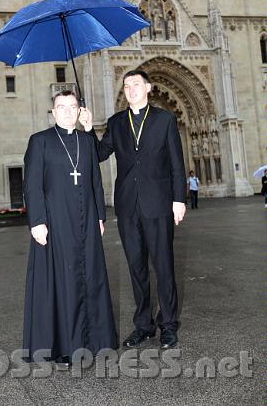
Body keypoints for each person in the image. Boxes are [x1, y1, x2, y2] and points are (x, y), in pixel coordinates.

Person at [79, 70, 186, 350]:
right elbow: (99, 155)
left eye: (136, 84)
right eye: (126, 86)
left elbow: (176, 162)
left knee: (163, 267)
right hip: (128, 206)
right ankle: (143, 325)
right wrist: (89, 129)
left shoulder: (164, 120)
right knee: (136, 268)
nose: (131, 89)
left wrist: (179, 199)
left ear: (148, 87)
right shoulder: (116, 123)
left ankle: (169, 325)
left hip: (159, 203)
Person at [22, 90, 118, 366]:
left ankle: (96, 341)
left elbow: (95, 182)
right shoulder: (39, 141)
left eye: (72, 106)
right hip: (55, 221)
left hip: (87, 219)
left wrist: (100, 215)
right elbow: (32, 185)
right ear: (52, 112)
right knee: (63, 281)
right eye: (60, 107)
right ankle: (65, 347)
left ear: (80, 111)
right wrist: (37, 221)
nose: (66, 111)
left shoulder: (86, 142)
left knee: (91, 278)